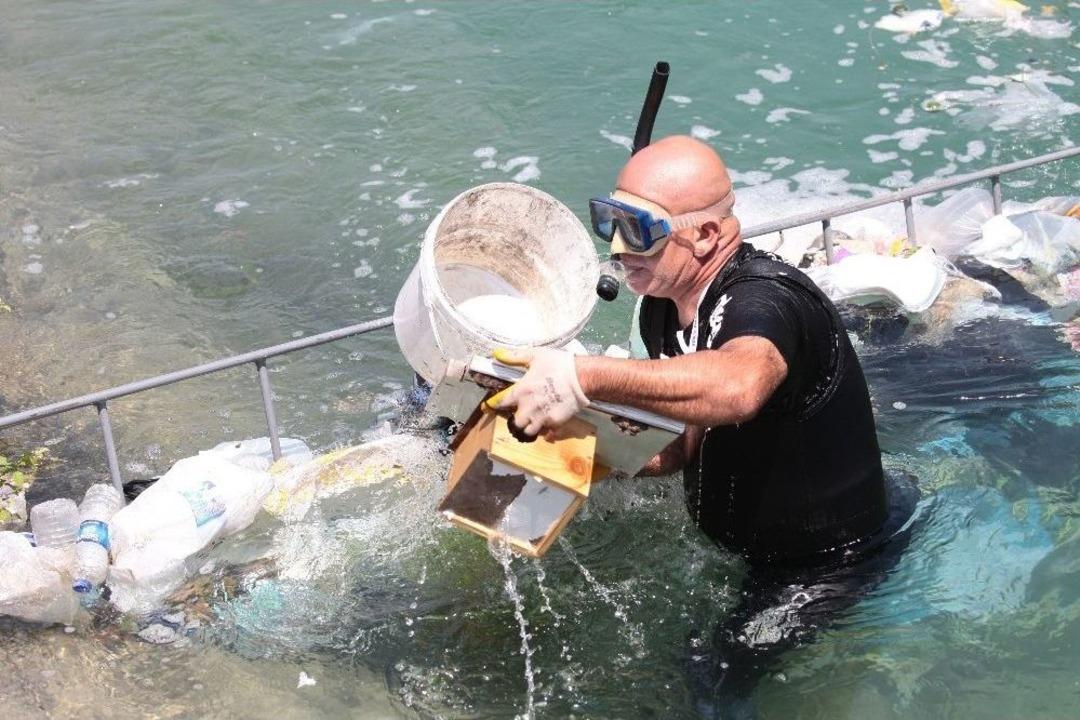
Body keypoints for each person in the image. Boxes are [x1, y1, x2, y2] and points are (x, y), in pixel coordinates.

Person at [486, 135, 918, 714]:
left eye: (637, 229)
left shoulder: (766, 300)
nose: (616, 246)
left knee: (705, 678)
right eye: (607, 220)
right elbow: (682, 445)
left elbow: (737, 386)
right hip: (745, 544)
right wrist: (577, 453)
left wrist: (584, 377)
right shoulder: (663, 307)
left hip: (829, 560)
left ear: (707, 234)